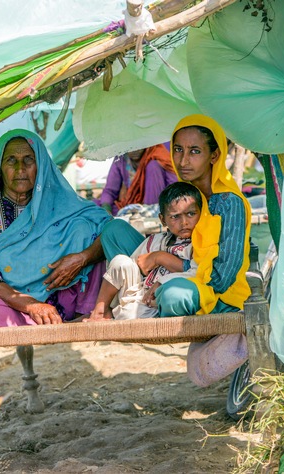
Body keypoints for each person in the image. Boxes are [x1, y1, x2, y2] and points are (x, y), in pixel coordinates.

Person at [50, 114, 252, 387]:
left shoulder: (228, 203)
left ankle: (151, 305)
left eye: (195, 151)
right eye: (178, 149)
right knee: (114, 230)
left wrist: (169, 273)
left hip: (212, 293)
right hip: (170, 270)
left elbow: (224, 276)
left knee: (174, 294)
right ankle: (123, 304)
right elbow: (168, 238)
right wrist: (156, 263)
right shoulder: (186, 194)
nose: (183, 160)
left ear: (214, 155)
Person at [0, 129, 112, 329]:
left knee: (88, 228)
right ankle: (41, 325)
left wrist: (83, 258)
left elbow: (109, 229)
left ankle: (80, 315)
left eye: (29, 159)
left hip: (62, 301)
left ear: (41, 166)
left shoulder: (60, 204)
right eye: (11, 160)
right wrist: (32, 305)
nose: (20, 169)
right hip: (9, 303)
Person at [87, 182, 202, 321]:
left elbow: (198, 272)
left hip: (159, 303)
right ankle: (101, 310)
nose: (184, 222)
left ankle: (115, 315)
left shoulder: (200, 244)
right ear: (163, 220)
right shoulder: (155, 240)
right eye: (175, 216)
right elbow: (136, 265)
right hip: (139, 294)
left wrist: (160, 262)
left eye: (191, 214)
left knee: (129, 315)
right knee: (121, 261)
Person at [97, 144, 177, 215]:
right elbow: (110, 190)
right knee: (94, 206)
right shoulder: (121, 158)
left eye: (138, 145)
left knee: (153, 166)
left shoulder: (156, 153)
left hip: (155, 206)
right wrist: (106, 208)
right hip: (132, 205)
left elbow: (174, 186)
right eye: (130, 147)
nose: (135, 150)